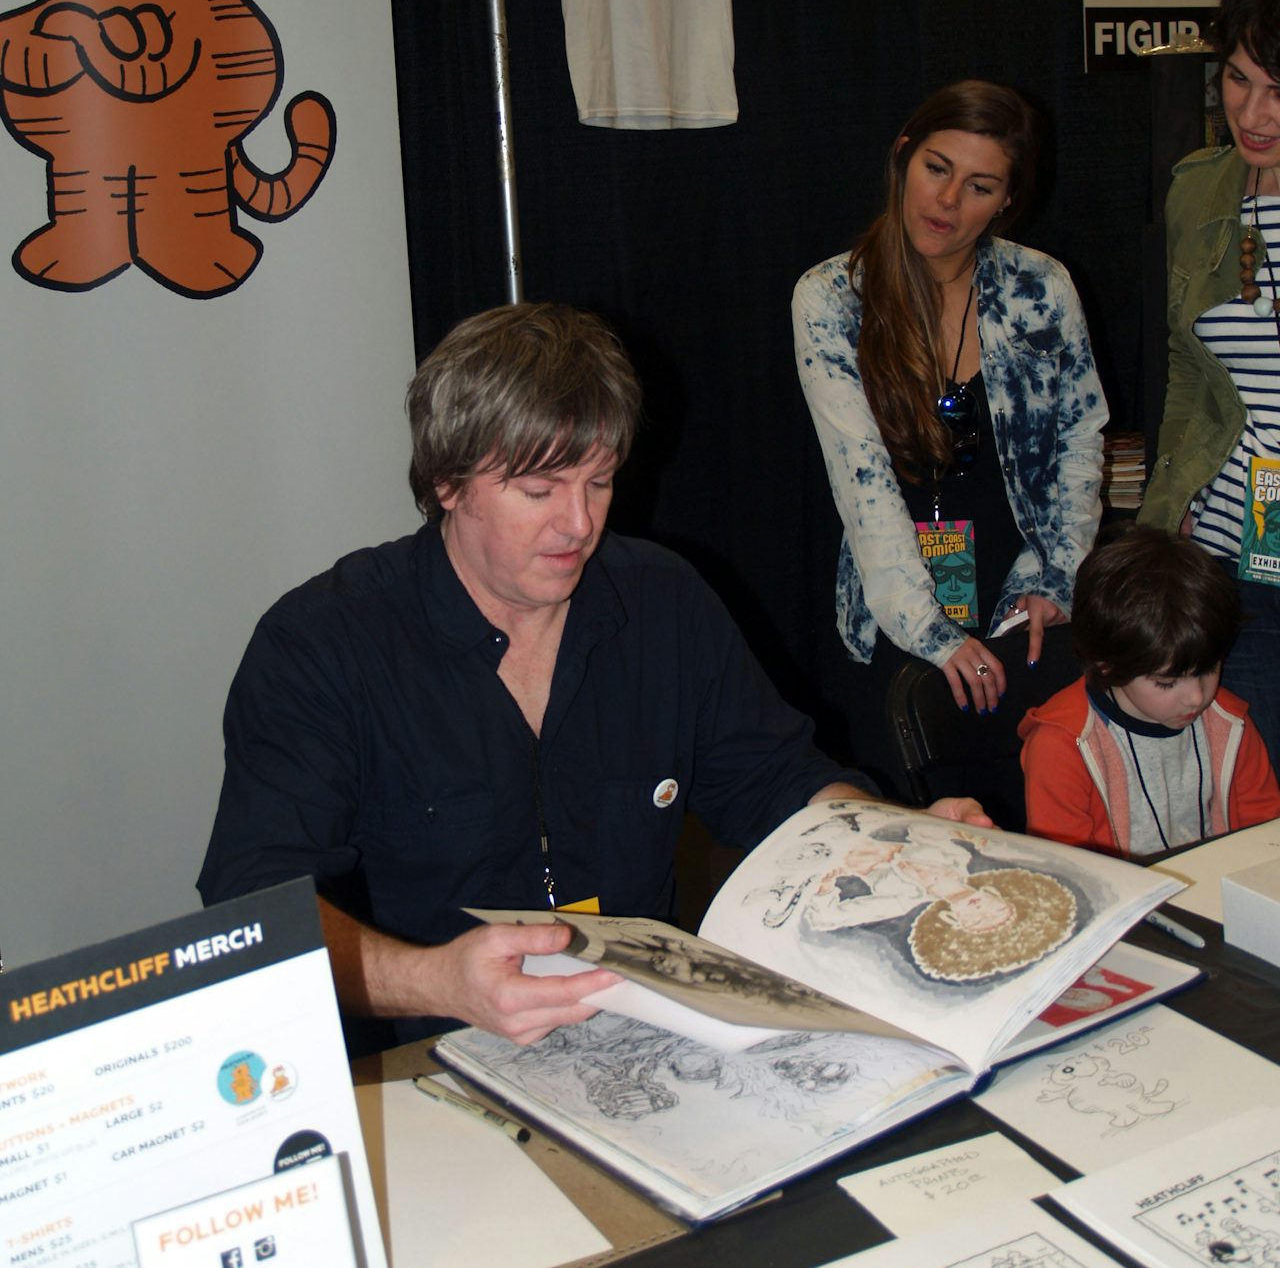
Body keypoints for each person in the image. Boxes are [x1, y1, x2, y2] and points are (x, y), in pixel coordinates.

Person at [198, 302, 988, 1053]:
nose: (578, 524)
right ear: (446, 484)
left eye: (600, 482)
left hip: (640, 1036)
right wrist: (436, 978)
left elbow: (779, 783)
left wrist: (899, 844)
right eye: (538, 490)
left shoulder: (660, 602)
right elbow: (255, 910)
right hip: (423, 1056)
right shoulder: (324, 645)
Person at [793, 81, 1108, 822]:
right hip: (897, 606)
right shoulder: (833, 297)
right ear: (903, 156)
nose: (948, 201)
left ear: (1006, 200)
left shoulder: (1040, 286)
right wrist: (932, 635)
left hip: (1022, 605)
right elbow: (861, 481)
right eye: (937, 168)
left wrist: (1058, 580)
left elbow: (1080, 440)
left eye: (980, 186)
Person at [1139, 0, 1280, 776]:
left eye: (1279, 91)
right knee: (1246, 811)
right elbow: (1190, 372)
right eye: (1237, 79)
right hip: (1229, 558)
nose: (1253, 113)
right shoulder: (1200, 189)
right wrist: (1166, 518)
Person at [1019, 526, 1280, 857]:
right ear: (1107, 665)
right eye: (1167, 683)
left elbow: (1265, 843)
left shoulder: (1231, 723)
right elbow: (1068, 870)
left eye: (1209, 669)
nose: (1197, 697)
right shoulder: (1062, 744)